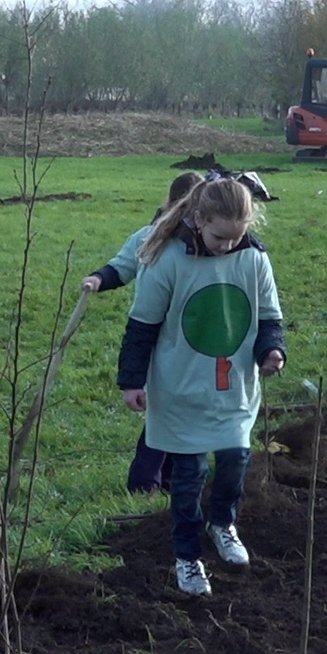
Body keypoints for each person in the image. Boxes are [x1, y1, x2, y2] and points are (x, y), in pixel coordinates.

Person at [116, 177, 285, 597]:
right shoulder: (167, 261)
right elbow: (142, 326)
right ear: (197, 218)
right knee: (188, 477)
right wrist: (131, 381)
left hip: (234, 388)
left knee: (235, 459)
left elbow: (268, 317)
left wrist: (272, 352)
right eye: (219, 236)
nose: (227, 246)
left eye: (237, 236)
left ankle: (223, 523)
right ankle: (188, 558)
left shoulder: (254, 259)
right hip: (180, 389)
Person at [84, 171, 203, 494]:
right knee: (164, 410)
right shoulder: (150, 237)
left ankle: (170, 478)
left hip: (196, 340)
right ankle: (144, 482)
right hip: (159, 338)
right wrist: (97, 279)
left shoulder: (212, 242)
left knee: (187, 411)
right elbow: (122, 266)